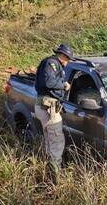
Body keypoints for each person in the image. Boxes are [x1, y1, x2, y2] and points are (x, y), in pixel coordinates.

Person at [34, 44, 74, 176]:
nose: (67, 63)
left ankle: (47, 170)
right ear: (64, 57)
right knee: (57, 141)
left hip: (44, 105)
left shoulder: (51, 63)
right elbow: (49, 83)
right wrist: (64, 85)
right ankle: (55, 174)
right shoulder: (52, 63)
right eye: (68, 60)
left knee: (49, 139)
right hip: (49, 106)